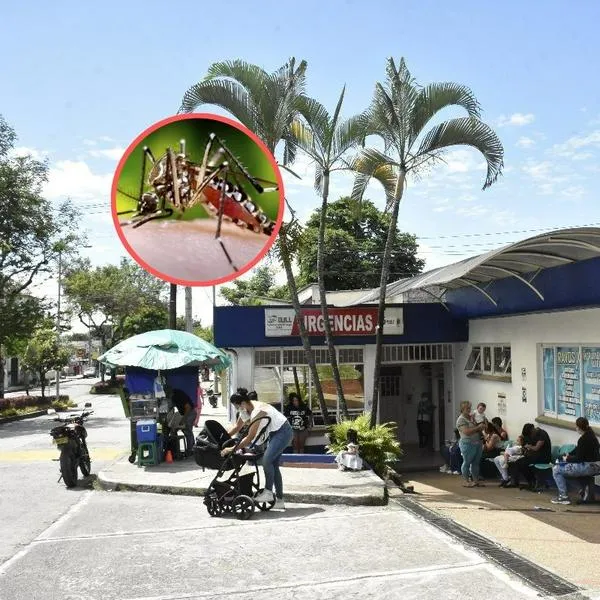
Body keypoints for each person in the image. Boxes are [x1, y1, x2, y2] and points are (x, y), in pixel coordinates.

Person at [222, 390, 293, 510]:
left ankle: (268, 492)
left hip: (283, 432)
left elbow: (249, 438)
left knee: (266, 461)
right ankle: (280, 500)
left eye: (237, 406)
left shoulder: (257, 412)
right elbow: (237, 427)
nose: (237, 409)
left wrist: (231, 449)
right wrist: (222, 439)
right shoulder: (249, 406)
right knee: (273, 465)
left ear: (243, 403)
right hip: (275, 433)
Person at [551, 417, 600, 505]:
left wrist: (567, 459)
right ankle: (585, 492)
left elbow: (579, 458)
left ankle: (563, 497)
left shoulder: (583, 439)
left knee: (556, 470)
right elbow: (577, 450)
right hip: (596, 467)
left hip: (587, 467)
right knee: (569, 471)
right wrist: (568, 454)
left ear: (578, 427)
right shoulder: (592, 437)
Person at [506, 423, 552, 489]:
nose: (530, 436)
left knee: (523, 463)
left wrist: (529, 446)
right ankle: (530, 481)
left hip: (543, 457)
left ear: (532, 430)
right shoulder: (531, 435)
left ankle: (535, 481)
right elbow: (525, 443)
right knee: (518, 462)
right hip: (534, 456)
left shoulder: (542, 434)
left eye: (530, 434)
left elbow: (536, 448)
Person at [456, 401, 486, 487]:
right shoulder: (461, 419)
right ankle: (466, 481)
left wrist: (482, 426)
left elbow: (478, 427)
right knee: (467, 462)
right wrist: (478, 427)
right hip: (468, 444)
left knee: (476, 463)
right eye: (467, 408)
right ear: (462, 409)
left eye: (470, 408)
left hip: (477, 443)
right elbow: (466, 432)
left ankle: (475, 480)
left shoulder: (472, 417)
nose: (469, 410)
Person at [171, 388, 197, 458]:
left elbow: (188, 408)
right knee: (185, 431)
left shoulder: (178, 396)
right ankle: (191, 448)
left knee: (188, 431)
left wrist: (183, 420)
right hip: (186, 413)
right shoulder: (174, 396)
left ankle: (190, 450)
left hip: (190, 413)